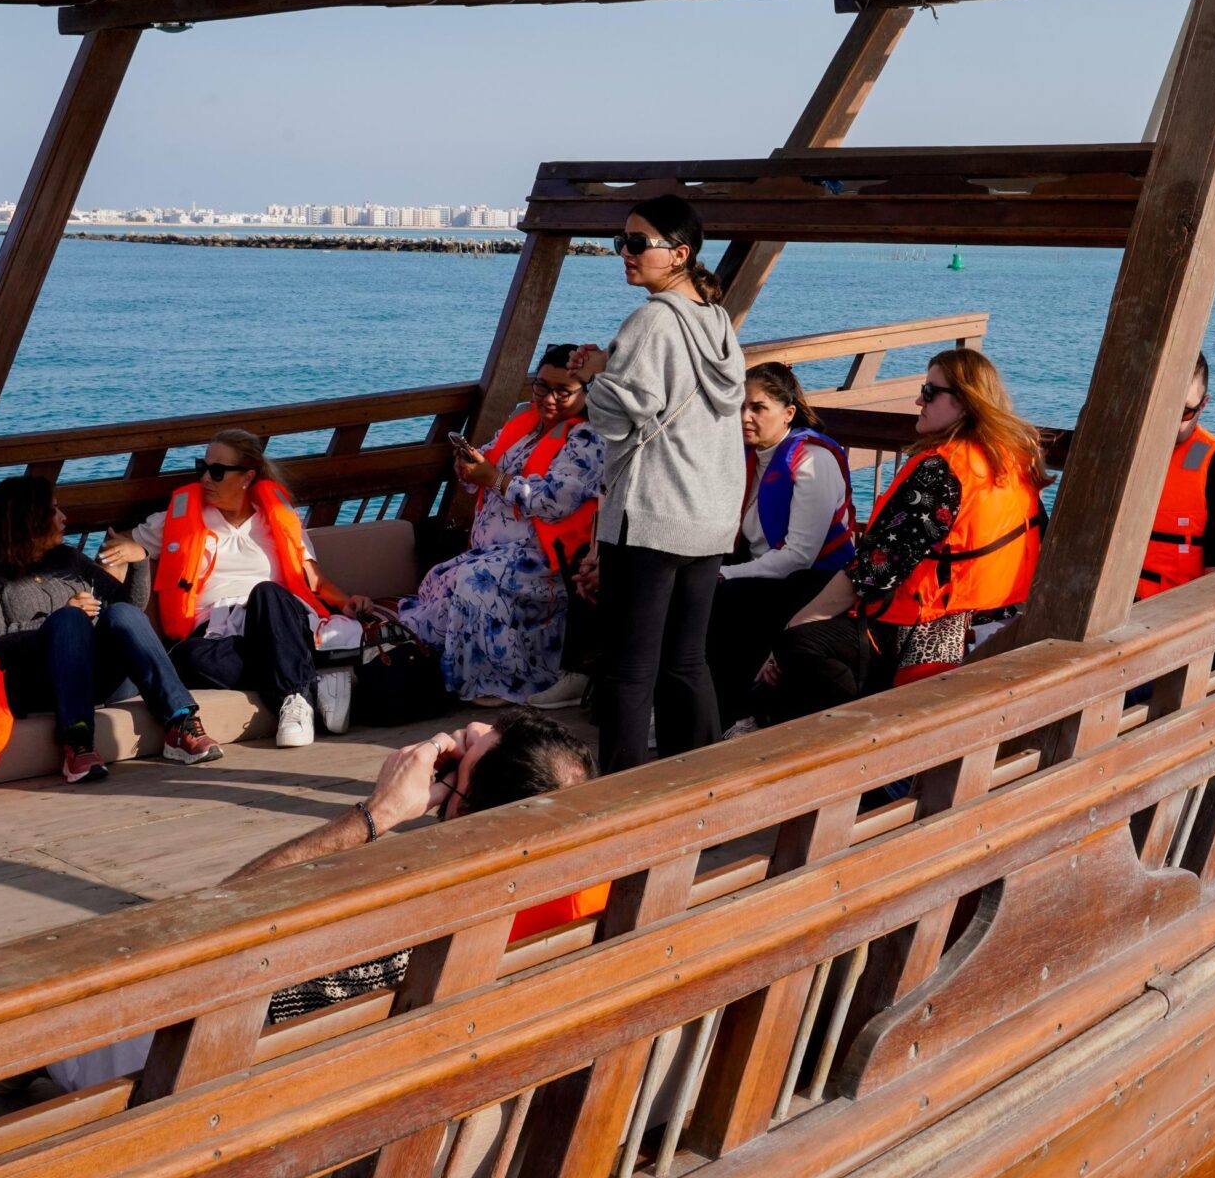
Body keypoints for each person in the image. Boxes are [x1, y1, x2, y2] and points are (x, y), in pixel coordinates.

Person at [237, 714, 609, 1024]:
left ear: (464, 815)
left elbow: (226, 919)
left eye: (459, 768)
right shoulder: (604, 891)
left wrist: (377, 813)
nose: (473, 727)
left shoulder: (408, 948)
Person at [755, 349, 1045, 725]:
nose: (918, 401)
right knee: (796, 587)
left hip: (930, 629)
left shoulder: (941, 472)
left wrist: (795, 628)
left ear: (965, 402)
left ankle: (855, 726)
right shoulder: (1013, 462)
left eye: (929, 392)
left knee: (797, 642)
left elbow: (873, 571)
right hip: (996, 619)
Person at [562, 194, 746, 774]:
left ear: (679, 253)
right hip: (708, 514)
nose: (625, 251)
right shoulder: (717, 322)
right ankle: (700, 788)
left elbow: (616, 418)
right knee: (686, 663)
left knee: (628, 669)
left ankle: (619, 799)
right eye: (622, 241)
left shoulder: (652, 320)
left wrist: (594, 376)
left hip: (651, 514)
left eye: (638, 242)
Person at [100, 430, 384, 749]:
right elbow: (115, 544)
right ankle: (311, 681)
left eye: (217, 471)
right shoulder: (175, 520)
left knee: (265, 593)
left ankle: (296, 700)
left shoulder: (279, 519)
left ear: (247, 477)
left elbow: (314, 579)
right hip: (218, 634)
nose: (205, 478)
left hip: (277, 620)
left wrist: (345, 602)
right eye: (202, 468)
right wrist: (136, 552)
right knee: (187, 658)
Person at [0, 474, 221, 782]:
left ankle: (180, 721)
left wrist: (138, 560)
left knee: (120, 613)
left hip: (100, 679)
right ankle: (78, 742)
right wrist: (58, 618)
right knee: (69, 619)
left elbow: (129, 609)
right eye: (53, 511)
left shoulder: (69, 560)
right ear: (27, 519)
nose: (63, 517)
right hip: (40, 685)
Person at [396, 344, 605, 708]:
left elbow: (553, 501)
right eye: (542, 386)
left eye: (563, 392)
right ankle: (432, 668)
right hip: (496, 551)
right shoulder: (524, 422)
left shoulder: (587, 439)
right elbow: (490, 459)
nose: (549, 398)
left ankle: (500, 680)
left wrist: (493, 478)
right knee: (438, 578)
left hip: (542, 562)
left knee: (473, 581)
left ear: (586, 393)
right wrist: (469, 467)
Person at [708, 363, 855, 731]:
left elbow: (799, 557)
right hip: (764, 569)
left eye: (758, 408)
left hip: (817, 580)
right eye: (740, 406)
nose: (745, 417)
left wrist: (726, 573)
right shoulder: (746, 457)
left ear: (788, 413)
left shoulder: (812, 460)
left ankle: (737, 715)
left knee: (728, 600)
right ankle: (696, 709)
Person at [1135, 353, 1215, 598]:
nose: (1169, 421)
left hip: (1174, 613)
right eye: (1162, 407)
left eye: (1184, 412)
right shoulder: (1118, 457)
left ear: (1203, 404)